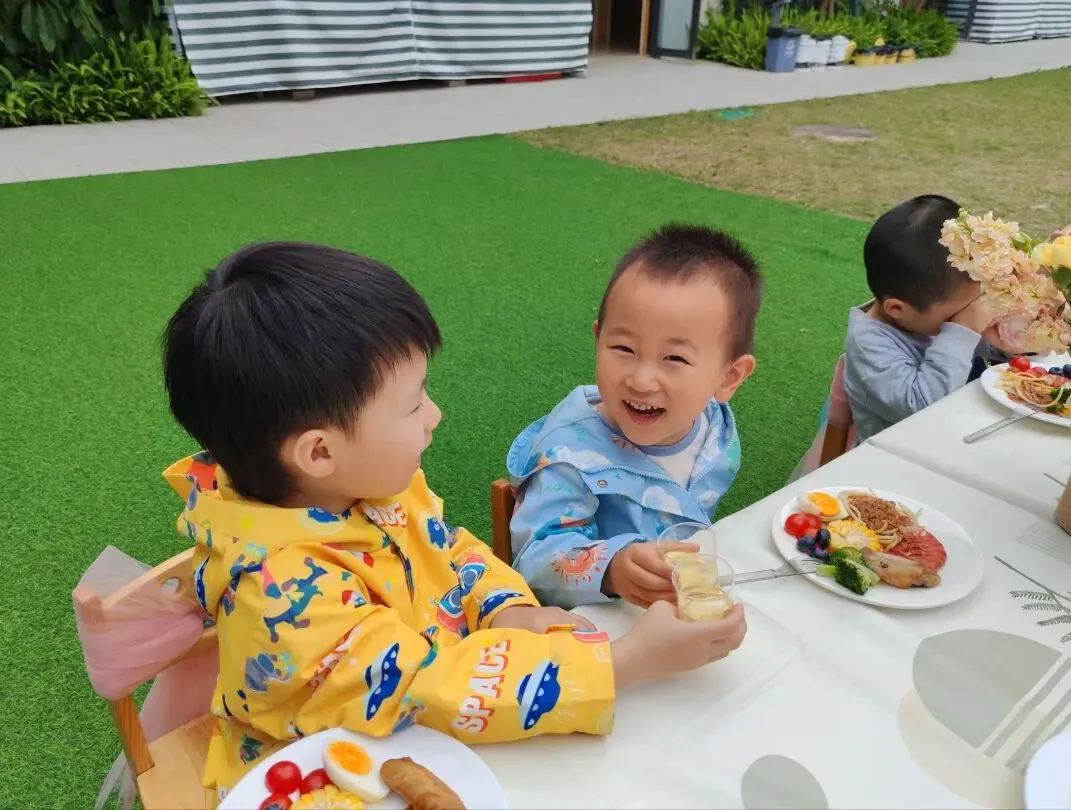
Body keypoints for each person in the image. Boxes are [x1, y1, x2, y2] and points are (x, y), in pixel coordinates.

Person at [161, 241, 748, 797]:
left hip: (426, 723)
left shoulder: (365, 488)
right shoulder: (282, 595)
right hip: (317, 775)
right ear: (319, 452)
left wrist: (506, 607)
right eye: (413, 403)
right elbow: (427, 686)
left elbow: (452, 549)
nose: (434, 414)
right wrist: (624, 664)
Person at [506, 224, 763, 610]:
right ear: (598, 340)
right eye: (624, 348)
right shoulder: (568, 459)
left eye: (674, 358)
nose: (641, 380)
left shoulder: (716, 432)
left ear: (728, 378)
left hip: (677, 605)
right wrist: (610, 568)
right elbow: (533, 562)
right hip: (598, 626)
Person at [843, 194, 1013, 444]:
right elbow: (921, 408)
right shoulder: (869, 344)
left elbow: (986, 352)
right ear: (897, 308)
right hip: (899, 456)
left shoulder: (929, 314)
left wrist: (1008, 342)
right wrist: (963, 328)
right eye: (958, 314)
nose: (973, 313)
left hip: (959, 434)